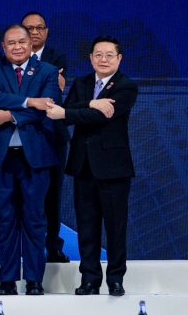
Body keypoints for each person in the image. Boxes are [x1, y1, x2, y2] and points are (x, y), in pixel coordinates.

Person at [47, 36, 137, 296]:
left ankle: (116, 279)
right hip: (83, 165)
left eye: (109, 55)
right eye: (98, 54)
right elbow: (73, 110)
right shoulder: (82, 83)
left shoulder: (126, 86)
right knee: (87, 227)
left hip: (114, 167)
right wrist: (89, 103)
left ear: (119, 58)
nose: (103, 59)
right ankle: (89, 279)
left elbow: (96, 115)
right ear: (91, 58)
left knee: (115, 227)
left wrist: (72, 111)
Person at [0, 25, 61, 296]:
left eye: (22, 42)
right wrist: (29, 102)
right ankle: (8, 280)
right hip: (0, 156)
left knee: (35, 218)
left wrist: (9, 115)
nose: (17, 47)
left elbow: (48, 107)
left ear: (31, 44)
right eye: (11, 43)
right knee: (5, 218)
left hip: (36, 157)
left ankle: (35, 280)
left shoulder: (48, 71)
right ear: (3, 46)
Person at [21, 11, 70, 263]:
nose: (34, 32)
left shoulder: (57, 58)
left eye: (39, 28)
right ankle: (25, 247)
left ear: (47, 31)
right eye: (29, 28)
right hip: (20, 136)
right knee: (23, 196)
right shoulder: (9, 60)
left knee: (53, 195)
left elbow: (52, 96)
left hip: (52, 137)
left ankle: (53, 245)